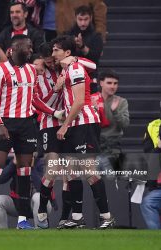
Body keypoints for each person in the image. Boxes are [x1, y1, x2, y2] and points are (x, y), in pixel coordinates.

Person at [0, 35, 63, 229]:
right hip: (5, 122)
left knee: (24, 170)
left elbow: (35, 99)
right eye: (28, 47)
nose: (31, 51)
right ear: (13, 49)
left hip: (26, 125)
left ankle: (23, 220)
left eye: (31, 47)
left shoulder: (32, 71)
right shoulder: (1, 70)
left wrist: (54, 112)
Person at [38, 35, 114, 229]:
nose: (53, 53)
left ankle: (107, 217)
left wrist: (64, 125)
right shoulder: (67, 70)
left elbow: (79, 101)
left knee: (89, 171)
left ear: (67, 53)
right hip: (76, 125)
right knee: (71, 172)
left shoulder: (76, 68)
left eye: (56, 50)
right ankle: (78, 218)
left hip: (85, 122)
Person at [0, 156, 53, 229]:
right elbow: (0, 179)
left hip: (40, 205)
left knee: (37, 197)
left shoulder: (40, 162)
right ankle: (2, 235)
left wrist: (31, 167)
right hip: (18, 204)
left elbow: (42, 187)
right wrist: (13, 164)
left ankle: (40, 230)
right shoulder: (12, 161)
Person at [98, 69, 129, 171]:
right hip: (95, 149)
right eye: (109, 83)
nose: (113, 86)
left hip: (113, 150)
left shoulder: (121, 101)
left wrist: (115, 112)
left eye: (115, 83)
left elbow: (125, 124)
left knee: (112, 183)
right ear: (101, 83)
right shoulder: (92, 99)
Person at [67, 5, 104, 79]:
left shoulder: (96, 36)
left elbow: (95, 57)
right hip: (71, 74)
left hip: (90, 75)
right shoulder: (68, 35)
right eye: (80, 19)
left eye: (86, 19)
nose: (83, 23)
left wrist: (82, 46)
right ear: (75, 18)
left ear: (91, 18)